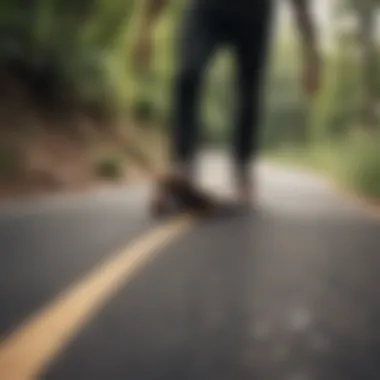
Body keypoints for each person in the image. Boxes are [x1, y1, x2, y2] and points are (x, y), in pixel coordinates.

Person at [133, 0, 321, 213]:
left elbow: (301, 5)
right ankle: (183, 161)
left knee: (249, 91)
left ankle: (242, 163)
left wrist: (311, 56)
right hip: (208, 9)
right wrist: (144, 29)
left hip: (254, 16)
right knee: (188, 74)